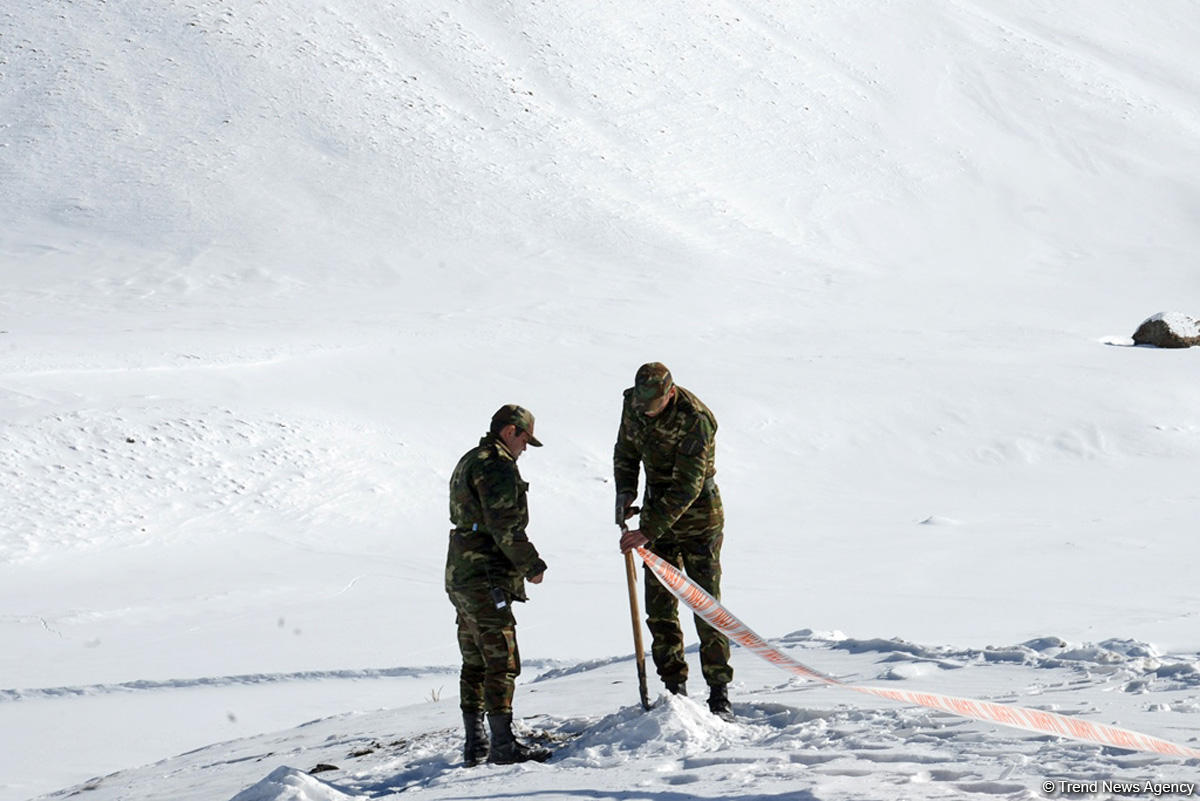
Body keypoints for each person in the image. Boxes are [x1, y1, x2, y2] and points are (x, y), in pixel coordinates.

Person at [614, 362, 734, 720]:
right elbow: (626, 451)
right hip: (655, 513)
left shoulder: (696, 418)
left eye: (652, 406)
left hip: (699, 518)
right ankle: (674, 692)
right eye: (641, 405)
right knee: (660, 609)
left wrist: (647, 531)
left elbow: (688, 486)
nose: (645, 412)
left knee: (705, 606)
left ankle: (718, 692)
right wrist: (625, 492)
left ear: (669, 394)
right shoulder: (633, 403)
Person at [446, 404, 551, 766]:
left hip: (461, 572)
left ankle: (475, 745)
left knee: (474, 659)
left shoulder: (469, 459)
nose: (524, 448)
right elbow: (505, 526)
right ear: (510, 431)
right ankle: (503, 746)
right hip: (486, 574)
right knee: (501, 661)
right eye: (524, 439)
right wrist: (531, 565)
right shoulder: (497, 466)